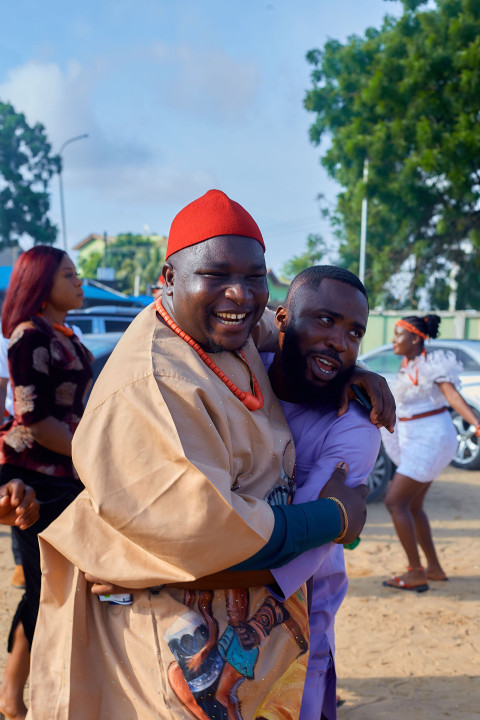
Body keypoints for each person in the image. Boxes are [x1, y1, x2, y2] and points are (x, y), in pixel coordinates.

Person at [27, 190, 394, 720]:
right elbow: (206, 536)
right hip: (170, 637)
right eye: (218, 274)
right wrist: (336, 518)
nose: (240, 295)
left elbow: (295, 327)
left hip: (247, 631)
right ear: (170, 279)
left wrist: (343, 360)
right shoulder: (152, 386)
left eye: (254, 277)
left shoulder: (228, 329)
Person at [0, 246, 93, 720]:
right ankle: (13, 692)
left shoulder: (65, 333)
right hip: (35, 478)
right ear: (40, 283)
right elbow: (35, 421)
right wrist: (93, 459)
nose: (79, 281)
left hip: (68, 474)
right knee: (43, 589)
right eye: (69, 275)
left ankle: (30, 690)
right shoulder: (27, 337)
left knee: (62, 588)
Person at [381, 314, 480, 592]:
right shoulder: (408, 365)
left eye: (399, 334)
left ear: (415, 338)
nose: (393, 340)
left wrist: (475, 423)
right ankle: (433, 568)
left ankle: (415, 572)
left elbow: (451, 396)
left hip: (431, 440)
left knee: (394, 502)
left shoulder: (431, 365)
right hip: (421, 439)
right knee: (413, 506)